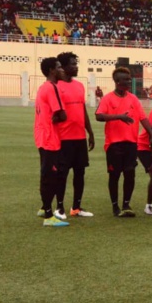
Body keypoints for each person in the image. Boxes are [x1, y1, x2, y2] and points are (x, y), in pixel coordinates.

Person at [96, 67, 152, 217]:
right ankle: (115, 206)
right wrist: (119, 116)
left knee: (130, 174)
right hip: (114, 145)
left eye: (129, 79)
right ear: (117, 82)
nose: (129, 82)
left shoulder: (133, 99)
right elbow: (99, 116)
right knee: (114, 176)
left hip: (131, 144)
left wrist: (151, 134)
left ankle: (126, 205)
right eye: (126, 80)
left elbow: (143, 118)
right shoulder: (108, 98)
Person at [54, 52, 95, 219]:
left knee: (80, 173)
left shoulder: (79, 86)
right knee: (62, 174)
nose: (76, 67)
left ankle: (76, 207)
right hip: (64, 137)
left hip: (79, 137)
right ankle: (59, 208)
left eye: (76, 64)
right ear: (63, 67)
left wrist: (90, 132)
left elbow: (82, 110)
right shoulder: (57, 86)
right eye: (72, 64)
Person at [34, 57, 69, 227]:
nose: (62, 70)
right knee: (50, 176)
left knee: (46, 173)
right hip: (49, 138)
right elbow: (62, 114)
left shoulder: (42, 87)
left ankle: (43, 207)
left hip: (43, 135)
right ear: (51, 71)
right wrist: (59, 116)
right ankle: (49, 215)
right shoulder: (52, 87)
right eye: (59, 67)